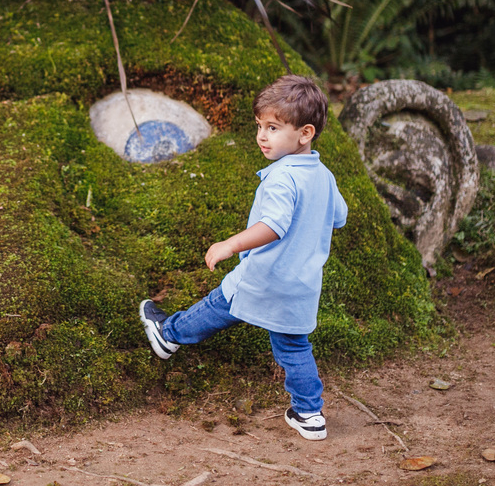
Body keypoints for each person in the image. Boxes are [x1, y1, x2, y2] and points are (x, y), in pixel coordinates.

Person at [138, 74, 348, 440]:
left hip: (263, 275)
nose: (262, 136)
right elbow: (339, 217)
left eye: (273, 128)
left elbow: (274, 225)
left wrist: (231, 244)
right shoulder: (323, 175)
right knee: (294, 348)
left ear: (305, 133)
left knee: (219, 305)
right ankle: (309, 413)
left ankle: (167, 334)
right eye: (259, 126)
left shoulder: (282, 177)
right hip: (301, 285)